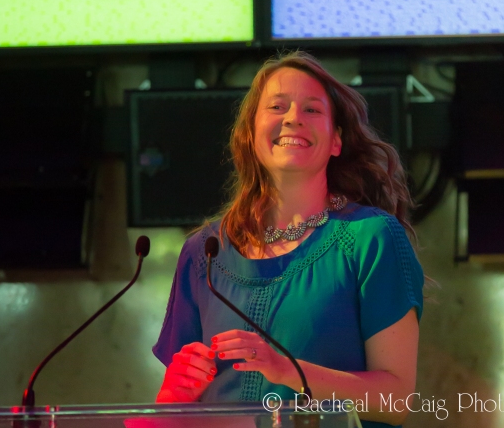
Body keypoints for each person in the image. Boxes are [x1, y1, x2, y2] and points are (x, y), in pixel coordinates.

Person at [153, 51, 424, 427]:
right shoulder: (203, 251)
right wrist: (172, 397)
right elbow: (178, 412)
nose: (293, 117)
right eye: (278, 106)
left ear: (336, 142)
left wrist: (288, 370)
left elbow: (395, 400)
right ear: (249, 135)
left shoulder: (370, 238)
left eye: (312, 110)